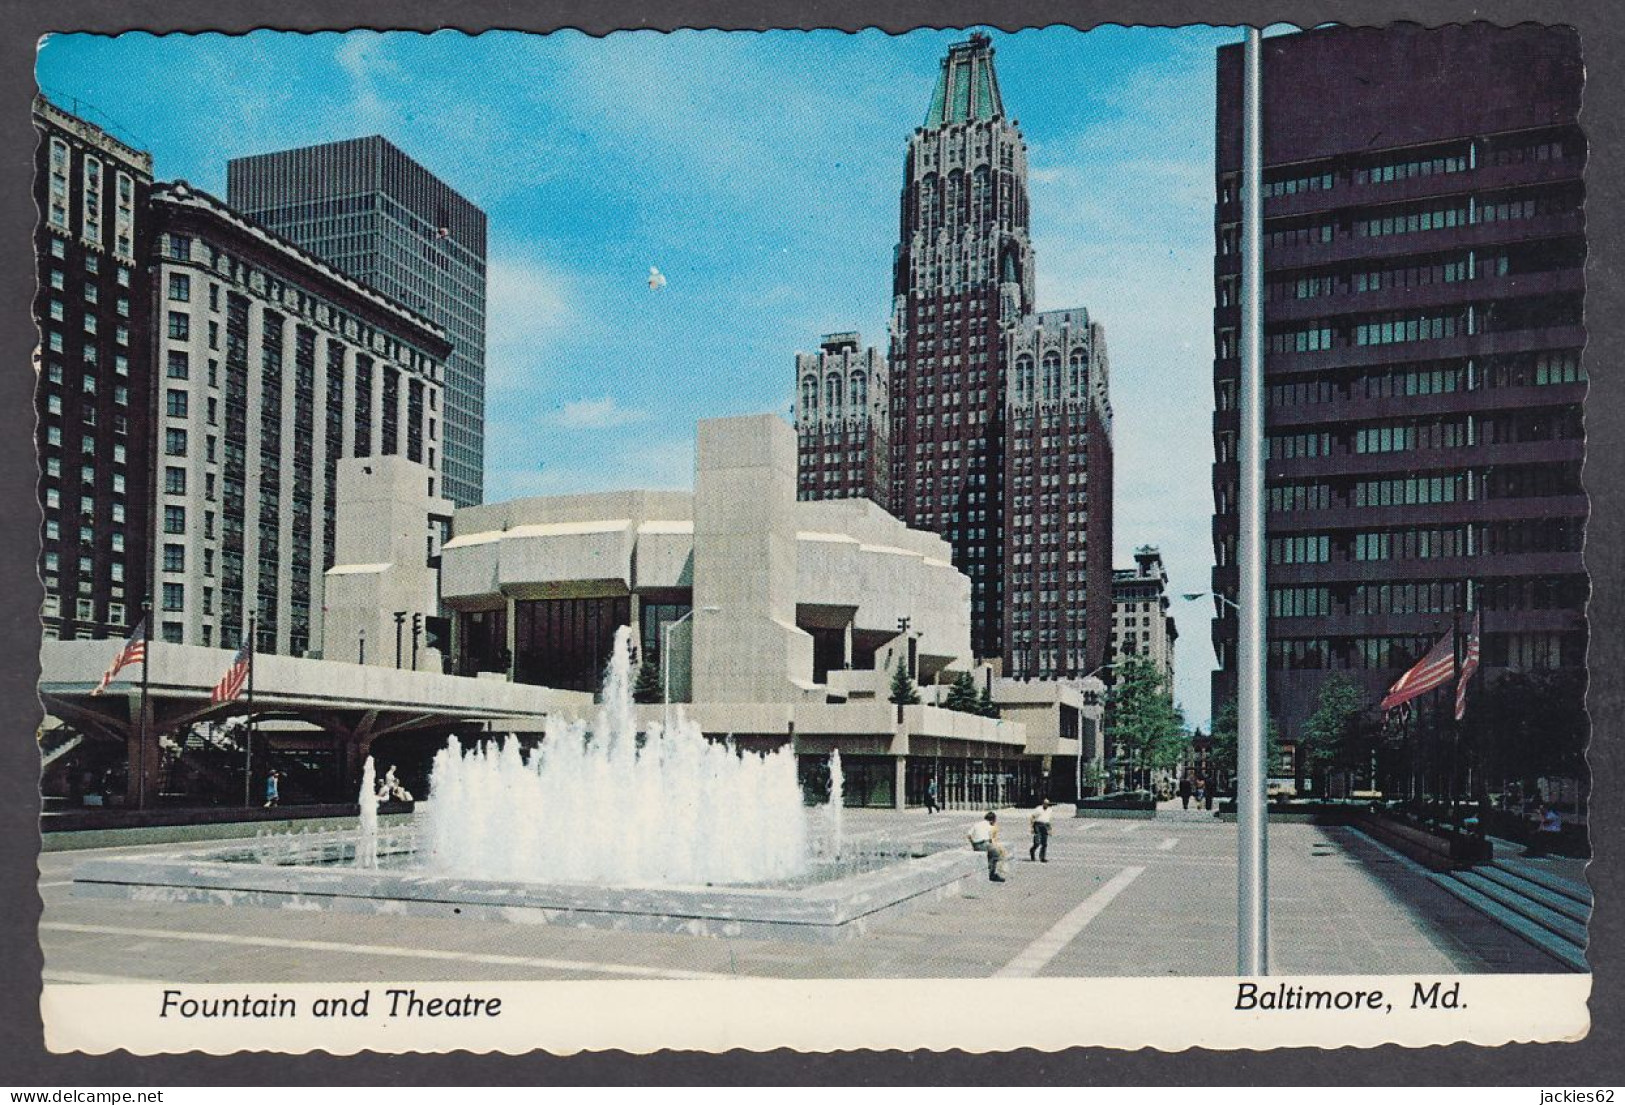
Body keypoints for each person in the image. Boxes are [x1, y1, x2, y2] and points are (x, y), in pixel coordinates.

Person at [968, 811, 1006, 882]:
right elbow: (992, 839)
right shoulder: (990, 826)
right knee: (996, 855)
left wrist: (973, 844)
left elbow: (969, 835)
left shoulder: (977, 824)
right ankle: (991, 874)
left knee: (990, 852)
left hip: (976, 845)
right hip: (984, 843)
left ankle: (988, 868)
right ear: (992, 820)